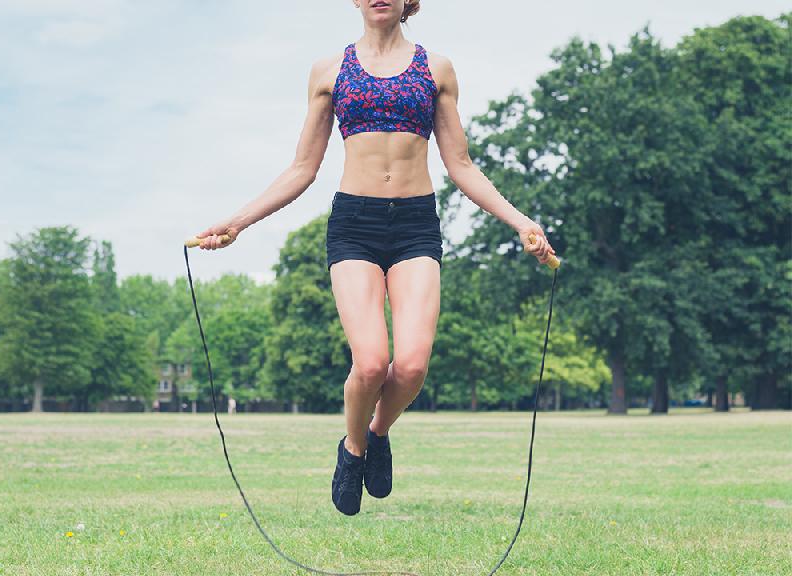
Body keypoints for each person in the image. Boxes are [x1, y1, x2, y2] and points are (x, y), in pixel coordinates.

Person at [192, 0, 556, 516]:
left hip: (414, 226)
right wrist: (237, 221)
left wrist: (521, 221)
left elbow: (461, 165)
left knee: (409, 366)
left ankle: (378, 431)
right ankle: (353, 449)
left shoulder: (436, 69)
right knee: (370, 363)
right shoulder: (329, 71)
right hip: (354, 227)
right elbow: (302, 168)